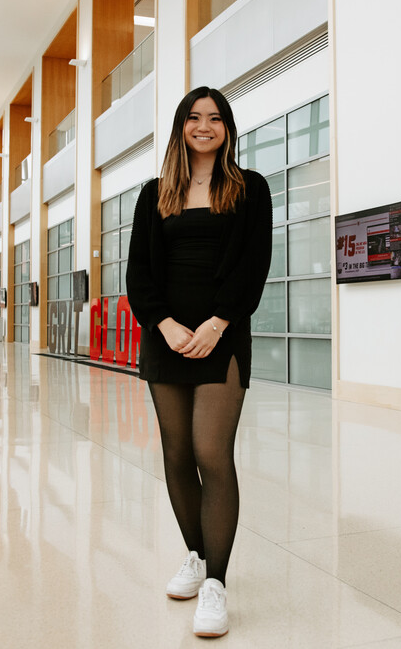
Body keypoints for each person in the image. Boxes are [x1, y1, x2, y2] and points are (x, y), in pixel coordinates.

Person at [126, 86, 272, 638]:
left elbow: (253, 266)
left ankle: (216, 583)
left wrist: (216, 323)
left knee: (212, 451)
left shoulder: (249, 189)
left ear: (227, 127)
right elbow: (139, 271)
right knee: (177, 452)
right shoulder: (154, 192)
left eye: (214, 118)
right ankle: (194, 553)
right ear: (181, 127)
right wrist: (164, 324)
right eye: (194, 117)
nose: (204, 126)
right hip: (166, 335)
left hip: (223, 335)